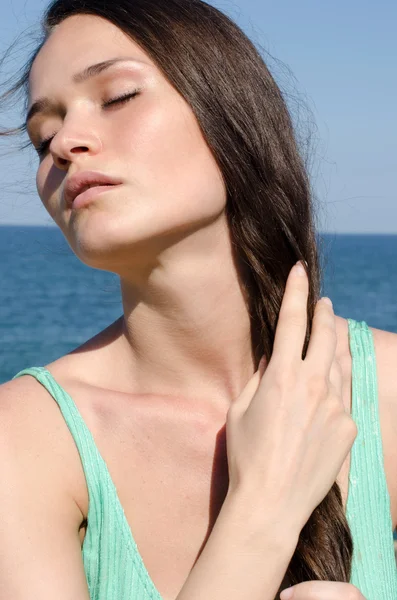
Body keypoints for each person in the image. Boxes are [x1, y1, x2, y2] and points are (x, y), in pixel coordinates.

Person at [0, 1, 396, 599]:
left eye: (118, 97)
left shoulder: (388, 390)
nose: (65, 144)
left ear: (229, 109)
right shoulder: (22, 440)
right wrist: (262, 511)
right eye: (43, 135)